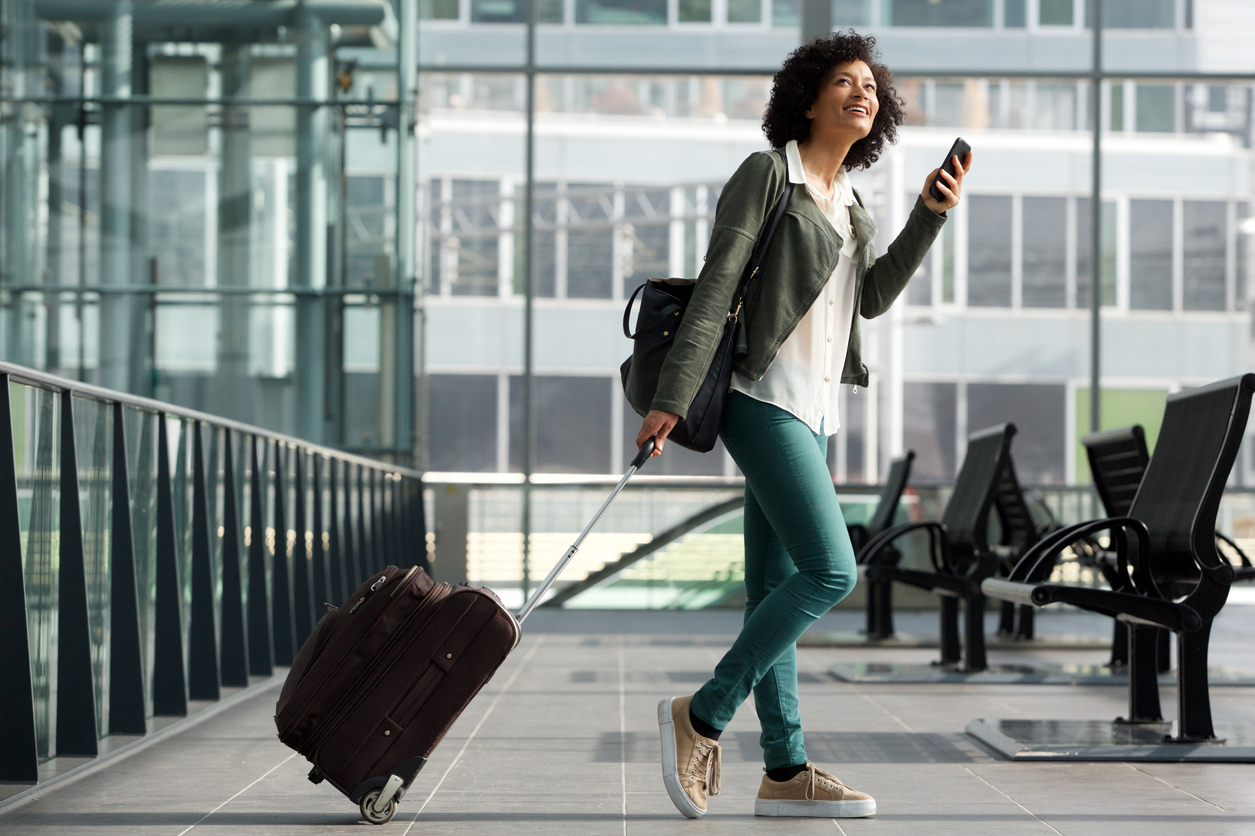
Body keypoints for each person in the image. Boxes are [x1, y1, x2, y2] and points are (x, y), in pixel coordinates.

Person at [640, 31, 971, 819]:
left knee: (774, 591)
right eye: (843, 82)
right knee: (832, 572)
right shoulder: (768, 174)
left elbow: (874, 297)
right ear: (806, 97)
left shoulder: (849, 202)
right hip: (760, 397)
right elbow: (717, 287)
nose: (862, 93)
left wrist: (929, 214)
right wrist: (672, 395)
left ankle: (785, 770)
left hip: (812, 410)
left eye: (871, 87)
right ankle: (703, 714)